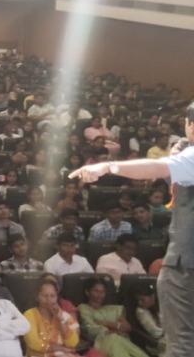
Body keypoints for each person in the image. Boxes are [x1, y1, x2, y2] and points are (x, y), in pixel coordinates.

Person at [70, 114, 194, 354]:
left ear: (191, 124)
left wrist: (108, 166)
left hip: (187, 267)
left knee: (182, 347)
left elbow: (157, 167)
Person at [78, 278, 148, 357]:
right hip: (101, 343)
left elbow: (127, 328)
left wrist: (107, 323)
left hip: (122, 342)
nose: (100, 295)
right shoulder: (84, 308)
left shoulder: (115, 309)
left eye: (102, 292)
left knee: (117, 340)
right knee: (114, 338)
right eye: (96, 291)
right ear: (87, 292)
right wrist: (116, 328)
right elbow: (91, 329)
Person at [22, 280, 80, 357]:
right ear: (37, 297)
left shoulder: (64, 315)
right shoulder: (29, 315)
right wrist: (60, 348)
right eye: (45, 296)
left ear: (57, 297)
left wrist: (61, 320)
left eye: (52, 296)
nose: (49, 299)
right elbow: (33, 343)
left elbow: (73, 343)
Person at [135, 284, 165, 356]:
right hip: (159, 343)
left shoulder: (163, 305)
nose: (139, 303)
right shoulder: (141, 311)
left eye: (142, 300)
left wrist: (163, 326)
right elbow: (156, 333)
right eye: (138, 300)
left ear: (152, 297)